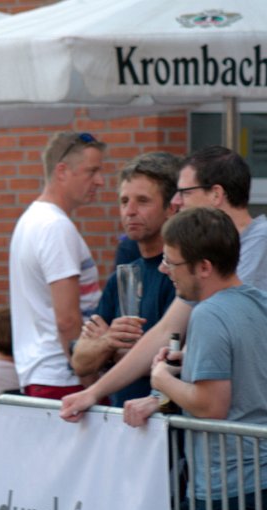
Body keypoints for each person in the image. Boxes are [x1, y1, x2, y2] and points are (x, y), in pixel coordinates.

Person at [123, 206, 267, 510]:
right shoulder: (258, 301)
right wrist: (173, 386)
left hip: (228, 489)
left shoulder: (207, 315)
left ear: (204, 267)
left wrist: (160, 380)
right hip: (257, 480)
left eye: (173, 262)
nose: (164, 270)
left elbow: (211, 404)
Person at [61, 146, 267, 423]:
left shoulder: (258, 247)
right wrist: (94, 392)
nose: (176, 202)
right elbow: (166, 330)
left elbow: (222, 344)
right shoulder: (207, 256)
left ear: (216, 194)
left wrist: (161, 389)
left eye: (185, 192)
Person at [70, 152, 180, 406]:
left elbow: (171, 360)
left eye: (143, 201)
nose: (130, 211)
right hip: (123, 420)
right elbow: (80, 362)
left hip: (165, 418)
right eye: (124, 201)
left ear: (171, 208)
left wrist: (109, 354)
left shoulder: (179, 273)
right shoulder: (123, 276)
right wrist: (109, 341)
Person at [10, 131, 103, 400]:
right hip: (63, 377)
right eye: (92, 171)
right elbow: (67, 319)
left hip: (44, 372)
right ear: (62, 171)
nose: (100, 181)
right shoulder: (55, 227)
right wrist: (90, 382)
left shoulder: (32, 219)